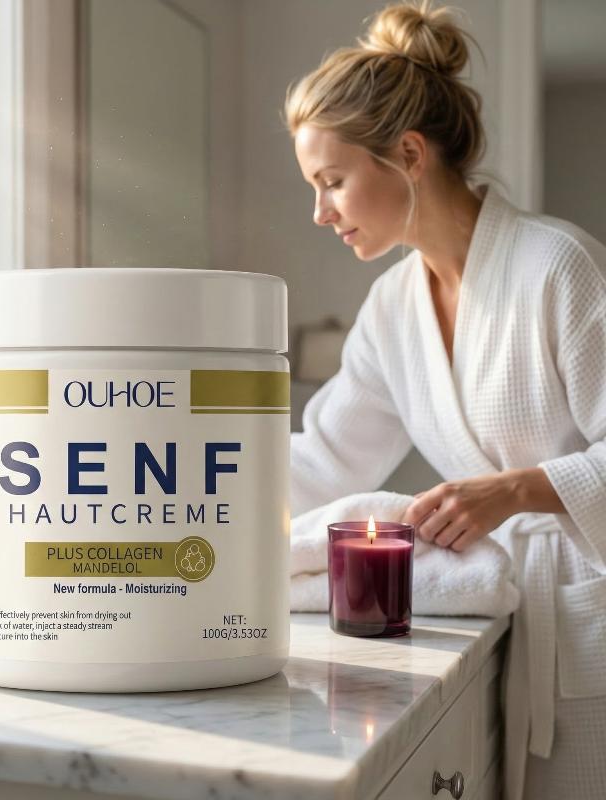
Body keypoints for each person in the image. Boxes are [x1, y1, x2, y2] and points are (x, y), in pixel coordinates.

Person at [284, 2, 606, 799]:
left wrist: (519, 490)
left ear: (408, 154)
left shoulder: (559, 267)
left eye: (332, 182)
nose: (319, 212)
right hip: (503, 628)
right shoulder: (393, 307)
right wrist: (191, 517)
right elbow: (322, 462)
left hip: (585, 619)